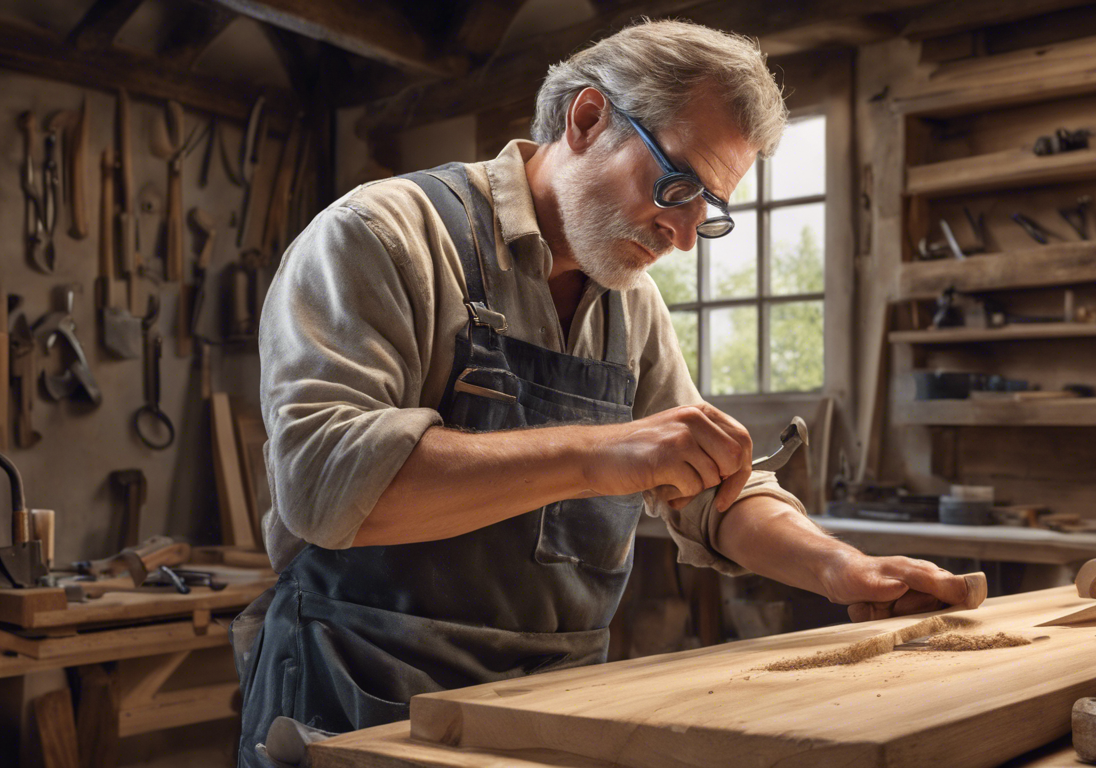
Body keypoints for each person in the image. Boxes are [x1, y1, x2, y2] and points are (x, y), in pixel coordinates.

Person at [235, 18, 970, 766]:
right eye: (676, 185)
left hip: (554, 709)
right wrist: (600, 455)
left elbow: (713, 491)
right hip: (360, 701)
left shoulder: (629, 303)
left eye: (707, 210)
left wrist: (836, 567)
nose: (682, 236)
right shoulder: (384, 236)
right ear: (588, 119)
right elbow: (322, 485)